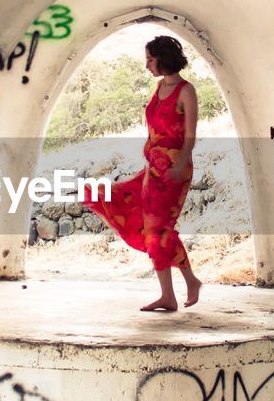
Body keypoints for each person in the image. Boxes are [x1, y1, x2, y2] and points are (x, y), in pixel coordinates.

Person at [85, 35, 202, 311]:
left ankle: (181, 287)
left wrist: (180, 163)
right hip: (154, 170)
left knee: (156, 229)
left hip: (175, 171)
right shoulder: (160, 87)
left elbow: (190, 135)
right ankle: (175, 291)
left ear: (164, 58)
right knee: (153, 227)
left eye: (150, 59)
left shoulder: (186, 91)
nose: (147, 65)